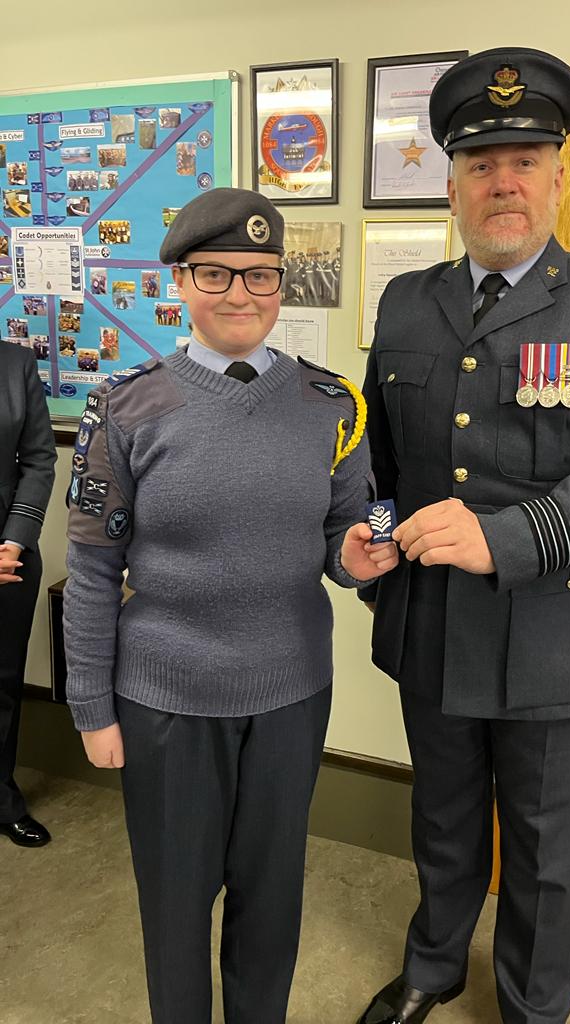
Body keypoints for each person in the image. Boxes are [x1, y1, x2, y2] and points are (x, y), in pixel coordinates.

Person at [356, 47, 570, 1024]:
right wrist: (374, 536)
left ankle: (534, 1008)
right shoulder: (407, 300)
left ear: (557, 177)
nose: (504, 182)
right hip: (431, 623)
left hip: (555, 632)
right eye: (481, 163)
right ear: (452, 186)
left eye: (526, 160)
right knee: (441, 818)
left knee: (545, 848)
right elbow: (381, 461)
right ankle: (434, 965)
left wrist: (504, 537)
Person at [62, 187, 397, 1024]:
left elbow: (343, 531)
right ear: (179, 281)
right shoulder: (126, 405)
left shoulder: (332, 404)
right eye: (215, 273)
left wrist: (353, 559)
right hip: (166, 701)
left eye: (260, 274)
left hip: (291, 694)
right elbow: (94, 568)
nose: (240, 293)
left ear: (283, 282)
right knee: (175, 903)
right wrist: (91, 708)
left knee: (271, 894)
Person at [0, 340, 57, 847]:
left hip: (9, 553)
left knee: (2, 681)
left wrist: (14, 541)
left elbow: (39, 460)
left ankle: (2, 797)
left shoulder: (15, 363)